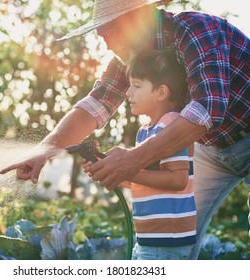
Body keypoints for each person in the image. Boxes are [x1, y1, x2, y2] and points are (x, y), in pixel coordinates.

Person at [0, 0, 250, 259]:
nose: (106, 42)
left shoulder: (197, 31)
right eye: (101, 32)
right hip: (212, 146)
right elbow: (96, 104)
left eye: (110, 29)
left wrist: (133, 159)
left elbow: (208, 109)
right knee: (172, 237)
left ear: (140, 18)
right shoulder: (130, 58)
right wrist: (45, 151)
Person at [84, 49, 196, 260]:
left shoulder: (171, 125)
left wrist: (129, 170)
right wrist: (106, 170)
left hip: (167, 242)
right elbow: (143, 183)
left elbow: (178, 179)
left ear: (161, 92)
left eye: (136, 86)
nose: (128, 93)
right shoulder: (144, 131)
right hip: (148, 238)